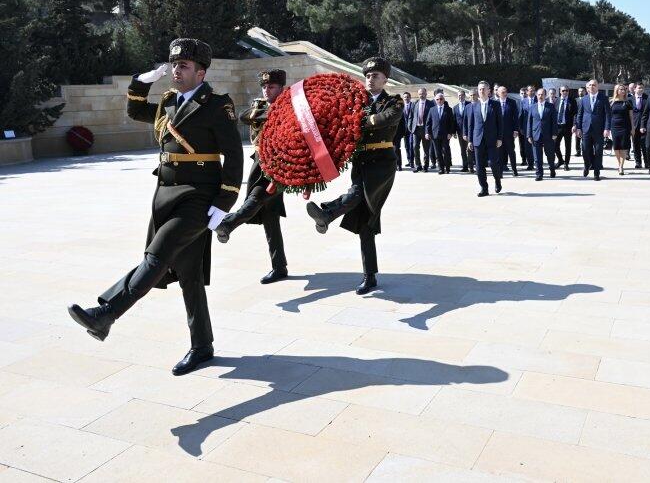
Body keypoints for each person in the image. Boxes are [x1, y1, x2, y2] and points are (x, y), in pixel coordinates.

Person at [67, 38, 243, 376]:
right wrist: (139, 83)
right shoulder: (167, 102)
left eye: (185, 66)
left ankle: (106, 314)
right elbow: (135, 110)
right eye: (174, 65)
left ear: (201, 72)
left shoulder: (217, 104)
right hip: (165, 196)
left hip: (198, 197)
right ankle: (202, 347)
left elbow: (234, 156)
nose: (177, 70)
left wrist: (224, 202)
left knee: (156, 257)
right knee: (189, 275)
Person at [306, 56, 403, 295]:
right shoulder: (356, 102)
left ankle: (328, 213)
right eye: (368, 75)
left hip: (382, 163)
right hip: (361, 161)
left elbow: (384, 120)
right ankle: (369, 276)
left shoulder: (394, 101)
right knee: (365, 223)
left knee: (357, 194)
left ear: (385, 79)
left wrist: (358, 119)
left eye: (376, 76)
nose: (371, 79)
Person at [215, 69, 289, 285]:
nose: (267, 90)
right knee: (269, 217)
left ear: (281, 88)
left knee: (256, 198)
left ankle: (228, 223)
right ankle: (279, 267)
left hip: (280, 164)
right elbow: (244, 116)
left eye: (272, 86)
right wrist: (269, 112)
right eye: (264, 87)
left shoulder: (292, 106)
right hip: (259, 161)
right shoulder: (261, 105)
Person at [465, 80, 503, 196]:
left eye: (483, 89)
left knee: (493, 163)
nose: (481, 91)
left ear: (488, 91)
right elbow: (471, 124)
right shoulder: (473, 105)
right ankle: (484, 188)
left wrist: (499, 138)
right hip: (478, 139)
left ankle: (497, 181)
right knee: (479, 166)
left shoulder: (495, 105)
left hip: (492, 140)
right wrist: (470, 140)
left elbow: (500, 123)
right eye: (480, 89)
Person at [575, 79, 610, 181]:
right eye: (590, 85)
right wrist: (579, 128)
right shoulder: (584, 99)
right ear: (587, 88)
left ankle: (596, 172)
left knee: (599, 151)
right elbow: (580, 114)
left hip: (599, 129)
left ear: (597, 87)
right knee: (585, 150)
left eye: (594, 85)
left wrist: (607, 128)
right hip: (586, 129)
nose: (592, 87)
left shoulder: (603, 98)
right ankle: (587, 165)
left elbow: (608, 114)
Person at [527, 87, 558, 181]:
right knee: (537, 156)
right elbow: (529, 122)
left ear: (545, 96)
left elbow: (554, 121)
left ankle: (552, 169)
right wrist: (529, 135)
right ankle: (539, 174)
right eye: (539, 94)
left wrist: (554, 133)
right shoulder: (532, 107)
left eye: (542, 95)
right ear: (537, 95)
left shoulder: (551, 106)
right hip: (535, 134)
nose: (540, 96)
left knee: (550, 155)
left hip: (548, 134)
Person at [424, 91, 455, 174]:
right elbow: (428, 123)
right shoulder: (432, 109)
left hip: (445, 134)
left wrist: (450, 133)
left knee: (446, 151)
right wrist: (427, 133)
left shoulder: (448, 109)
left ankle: (447, 167)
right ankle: (441, 168)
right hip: (435, 135)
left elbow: (452, 123)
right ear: (435, 100)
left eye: (441, 99)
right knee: (438, 153)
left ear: (444, 99)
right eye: (437, 99)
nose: (439, 101)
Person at [407, 87, 434, 171]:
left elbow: (432, 118)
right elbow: (411, 116)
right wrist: (410, 127)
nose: (421, 95)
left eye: (422, 93)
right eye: (419, 94)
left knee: (426, 148)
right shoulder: (415, 104)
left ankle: (426, 166)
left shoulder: (431, 104)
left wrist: (430, 130)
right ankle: (418, 165)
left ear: (426, 94)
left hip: (426, 130)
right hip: (416, 129)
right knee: (415, 147)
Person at [608, 84, 632, 175]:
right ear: (616, 91)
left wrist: (632, 128)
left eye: (624, 89)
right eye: (620, 89)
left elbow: (631, 117)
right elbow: (608, 116)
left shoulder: (628, 102)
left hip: (625, 126)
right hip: (614, 126)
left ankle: (621, 166)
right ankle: (619, 164)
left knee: (623, 146)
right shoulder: (611, 102)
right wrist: (607, 128)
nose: (623, 91)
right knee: (616, 147)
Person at [496, 86, 520, 176]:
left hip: (509, 132)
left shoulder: (512, 102)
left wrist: (515, 130)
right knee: (500, 152)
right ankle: (500, 171)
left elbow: (516, 118)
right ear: (498, 93)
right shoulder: (495, 103)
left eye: (505, 91)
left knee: (511, 151)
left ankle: (514, 169)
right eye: (502, 92)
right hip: (498, 133)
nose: (504, 93)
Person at [554, 85, 577, 170]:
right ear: (560, 91)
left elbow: (575, 114)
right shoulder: (557, 100)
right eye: (563, 91)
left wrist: (575, 125)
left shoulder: (572, 101)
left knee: (568, 146)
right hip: (558, 127)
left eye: (566, 91)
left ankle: (566, 164)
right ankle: (560, 160)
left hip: (568, 127)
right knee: (555, 145)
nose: (565, 92)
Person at [630, 83, 648, 169]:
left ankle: (647, 162)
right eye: (639, 88)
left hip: (645, 125)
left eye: (642, 88)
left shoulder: (647, 99)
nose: (640, 89)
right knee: (636, 145)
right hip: (634, 126)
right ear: (634, 89)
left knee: (645, 145)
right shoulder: (630, 99)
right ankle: (638, 162)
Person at [453, 90, 472, 172]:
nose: (460, 97)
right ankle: (465, 166)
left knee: (470, 149)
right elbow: (454, 121)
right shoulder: (455, 107)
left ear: (464, 96)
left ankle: (471, 167)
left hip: (469, 130)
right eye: (459, 96)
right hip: (460, 132)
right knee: (462, 149)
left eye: (462, 95)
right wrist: (454, 132)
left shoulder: (470, 105)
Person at [396, 92, 413, 170]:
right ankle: (409, 160)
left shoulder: (413, 105)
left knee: (411, 146)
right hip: (403, 130)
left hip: (411, 129)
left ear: (410, 97)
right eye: (405, 97)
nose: (406, 98)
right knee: (406, 146)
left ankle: (412, 162)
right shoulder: (400, 107)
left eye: (407, 97)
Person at [575, 87, 585, 156]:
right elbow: (574, 113)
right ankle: (578, 151)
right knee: (577, 137)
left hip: (585, 121)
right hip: (577, 121)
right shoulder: (575, 100)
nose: (580, 93)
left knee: (585, 137)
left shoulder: (587, 99)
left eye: (582, 91)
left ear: (585, 92)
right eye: (579, 91)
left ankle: (585, 150)